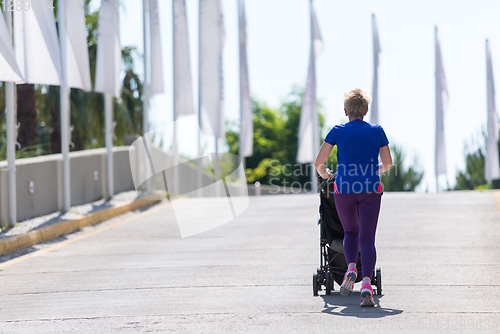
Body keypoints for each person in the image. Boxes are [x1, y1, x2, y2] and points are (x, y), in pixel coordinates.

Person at [315, 88, 392, 307]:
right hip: (369, 188)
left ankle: (350, 268)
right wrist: (371, 172)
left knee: (350, 231)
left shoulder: (337, 131)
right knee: (367, 238)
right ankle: (366, 284)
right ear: (366, 111)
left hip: (344, 188)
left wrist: (327, 175)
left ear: (345, 111)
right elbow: (387, 164)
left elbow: (319, 163)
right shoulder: (377, 131)